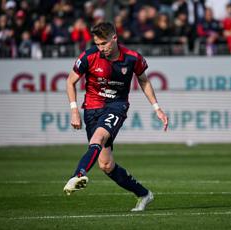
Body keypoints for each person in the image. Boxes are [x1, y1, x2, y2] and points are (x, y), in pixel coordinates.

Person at [63, 22, 169, 211]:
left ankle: (78, 175)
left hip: (116, 106)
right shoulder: (89, 56)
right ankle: (144, 194)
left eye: (104, 43)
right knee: (105, 164)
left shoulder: (132, 58)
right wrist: (74, 110)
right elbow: (70, 82)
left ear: (114, 38)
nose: (101, 48)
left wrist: (157, 108)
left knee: (98, 138)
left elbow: (143, 81)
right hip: (91, 109)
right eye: (97, 44)